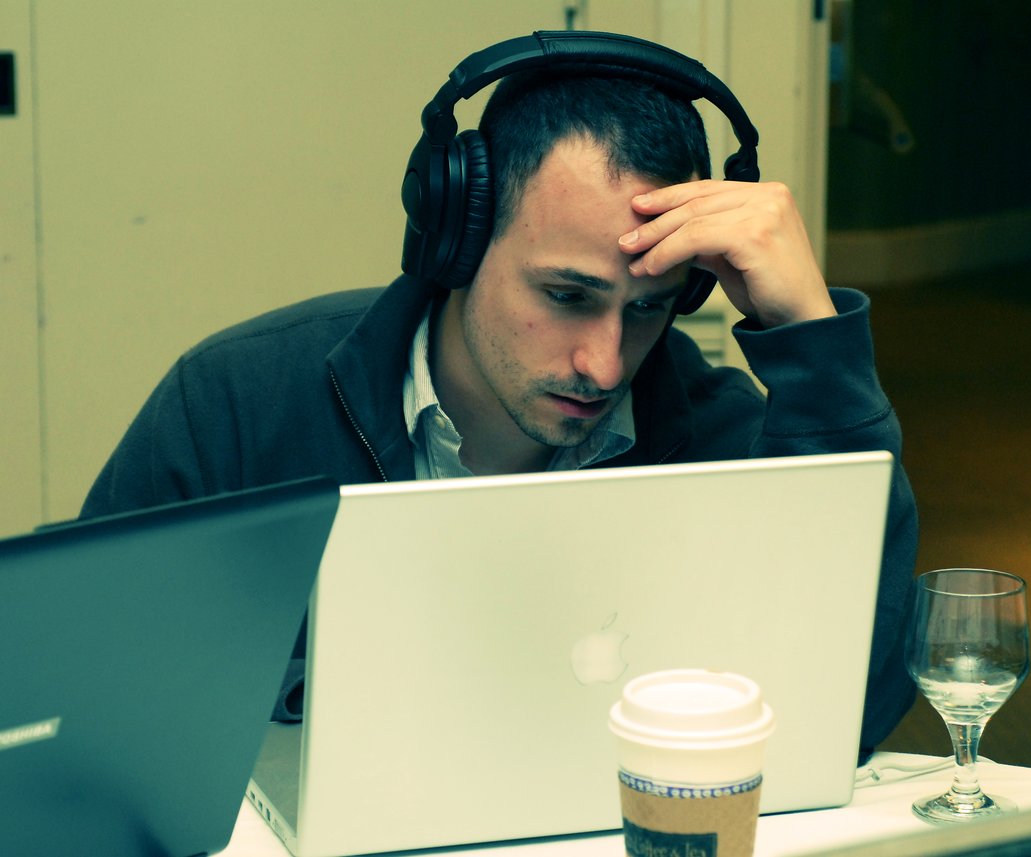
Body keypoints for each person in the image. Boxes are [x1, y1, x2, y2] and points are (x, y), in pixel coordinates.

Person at [80, 36, 919, 760]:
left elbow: (847, 717)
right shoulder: (237, 403)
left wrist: (815, 341)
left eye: (647, 309)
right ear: (460, 238)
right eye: (567, 295)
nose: (602, 365)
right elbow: (88, 703)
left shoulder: (721, 435)